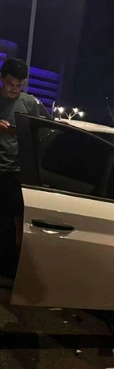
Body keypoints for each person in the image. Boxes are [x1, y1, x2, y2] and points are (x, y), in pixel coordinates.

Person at [0, 57, 50, 279]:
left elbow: (42, 132)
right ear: (2, 80)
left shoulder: (29, 103)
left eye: (19, 86)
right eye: (10, 84)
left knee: (16, 220)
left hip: (16, 171)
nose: (14, 90)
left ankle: (10, 265)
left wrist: (22, 131)